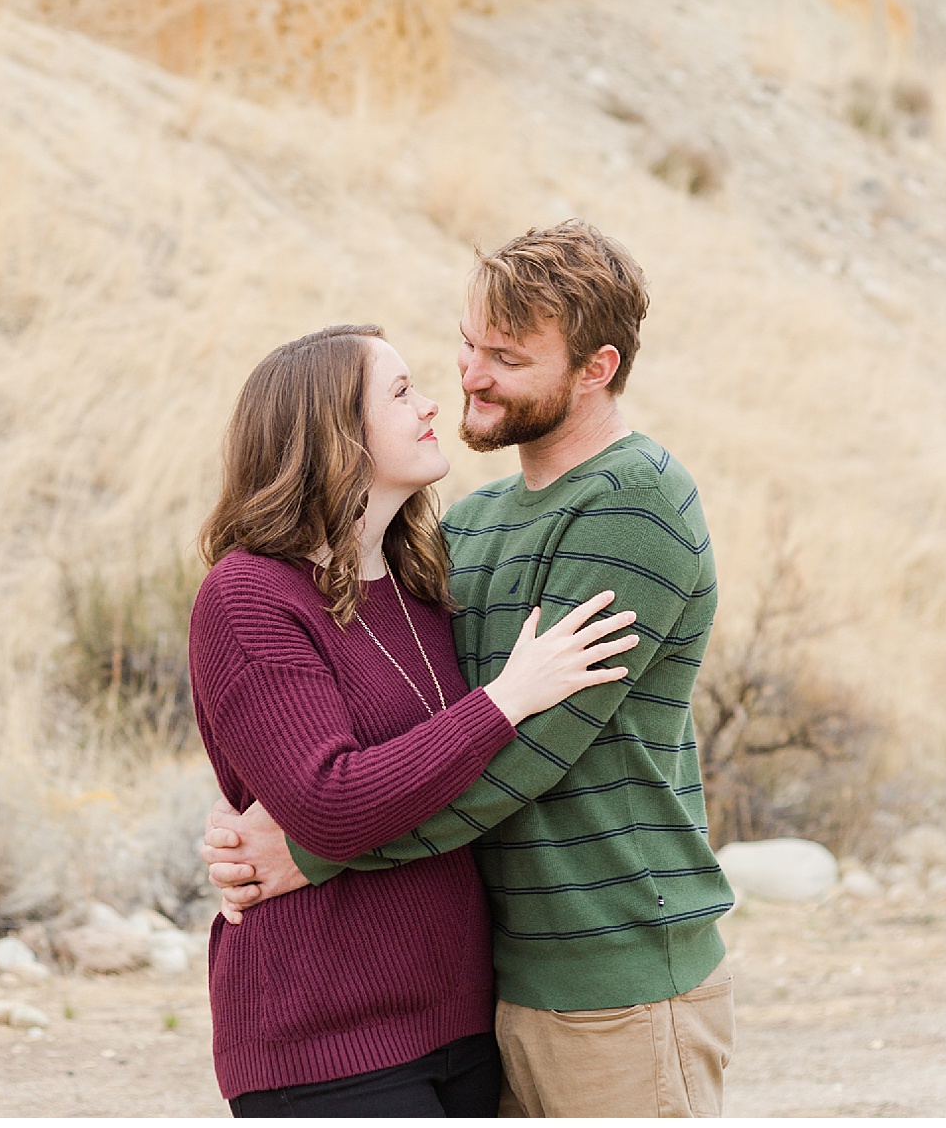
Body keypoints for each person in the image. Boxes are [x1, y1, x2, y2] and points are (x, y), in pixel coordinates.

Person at [202, 223, 736, 1117]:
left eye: (508, 357)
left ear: (595, 370)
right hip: (491, 982)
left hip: (615, 977)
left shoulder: (634, 505)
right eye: (467, 344)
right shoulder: (470, 524)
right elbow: (387, 722)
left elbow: (524, 756)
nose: (471, 376)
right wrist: (254, 815)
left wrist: (308, 847)